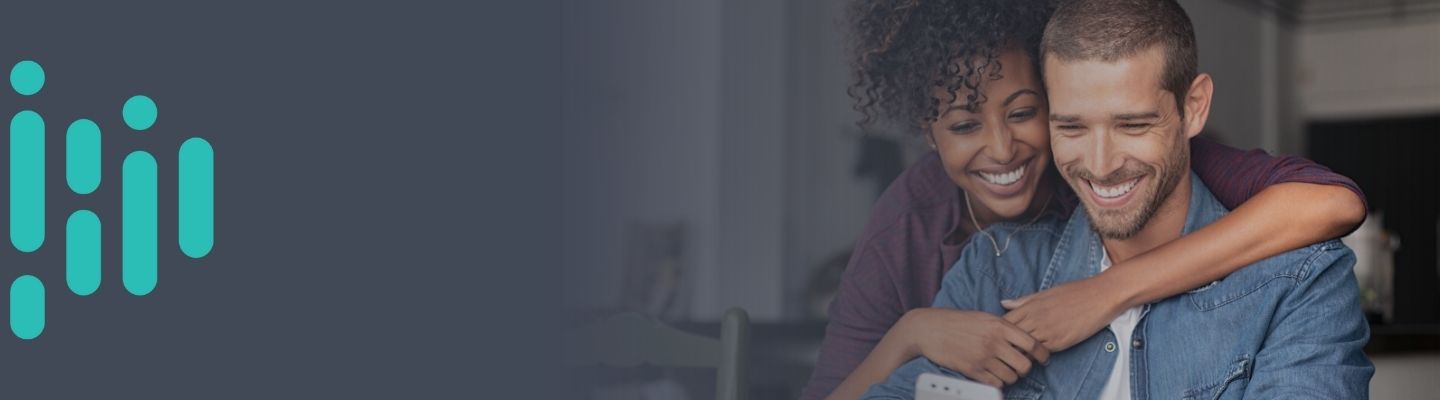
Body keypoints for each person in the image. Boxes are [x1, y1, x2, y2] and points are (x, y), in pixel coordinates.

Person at [802, 0, 1370, 399]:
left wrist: (1107, 291)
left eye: (1133, 124)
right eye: (1072, 126)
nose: (1100, 163)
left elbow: (1333, 202)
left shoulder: (1298, 282)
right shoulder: (984, 267)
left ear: (1193, 109)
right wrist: (911, 333)